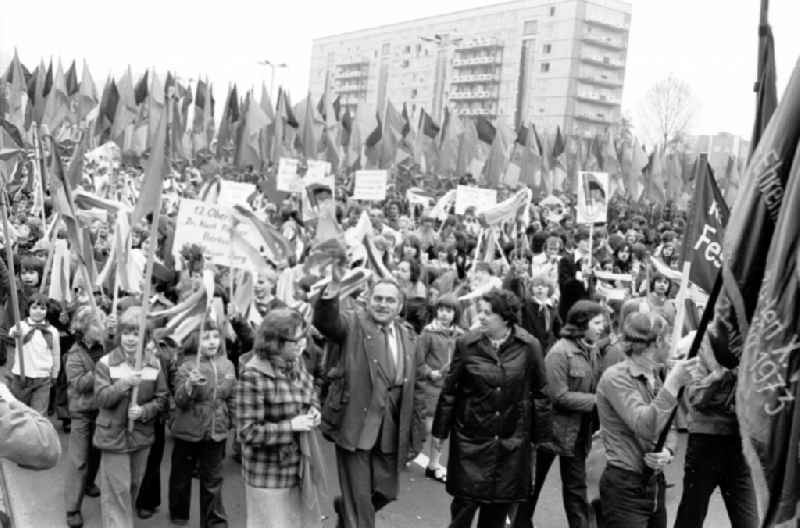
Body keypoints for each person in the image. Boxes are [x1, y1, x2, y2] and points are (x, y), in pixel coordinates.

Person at [432, 288, 551, 528]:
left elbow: (541, 394)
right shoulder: (467, 344)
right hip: (471, 442)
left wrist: (539, 439)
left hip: (511, 444)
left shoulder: (529, 346)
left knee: (498, 514)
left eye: (488, 313)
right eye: (480, 312)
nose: (481, 317)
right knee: (463, 511)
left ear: (505, 317)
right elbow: (450, 390)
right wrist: (439, 433)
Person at [314, 278, 424, 528]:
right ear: (368, 299)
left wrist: (417, 430)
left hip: (391, 427)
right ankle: (353, 512)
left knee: (386, 492)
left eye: (390, 300)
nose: (383, 305)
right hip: (355, 423)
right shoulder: (352, 323)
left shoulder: (408, 334)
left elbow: (416, 385)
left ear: (399, 306)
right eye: (378, 298)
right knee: (361, 505)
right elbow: (326, 321)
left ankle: (346, 508)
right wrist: (331, 291)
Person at [595, 312, 701, 528]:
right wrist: (673, 384)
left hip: (653, 484)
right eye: (669, 337)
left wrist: (667, 452)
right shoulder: (616, 377)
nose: (672, 343)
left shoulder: (655, 375)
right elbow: (645, 426)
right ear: (658, 341)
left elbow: (669, 426)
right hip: (624, 487)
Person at [236, 308, 323, 528]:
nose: (303, 344)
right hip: (267, 474)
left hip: (297, 466)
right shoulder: (252, 376)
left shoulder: (296, 362)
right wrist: (291, 426)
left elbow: (310, 391)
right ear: (275, 342)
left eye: (304, 337)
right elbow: (248, 432)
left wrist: (313, 409)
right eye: (297, 339)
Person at [673, 331, 758, 528]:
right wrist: (718, 376)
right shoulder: (702, 344)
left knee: (748, 521)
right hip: (705, 442)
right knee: (691, 516)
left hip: (738, 444)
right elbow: (696, 398)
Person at [93, 306, 168, 528]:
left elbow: (162, 399)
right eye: (126, 332)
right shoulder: (106, 363)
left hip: (141, 436)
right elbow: (101, 399)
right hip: (113, 436)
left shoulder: (154, 364)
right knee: (117, 491)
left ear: (145, 337)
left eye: (136, 333)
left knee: (132, 486)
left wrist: (144, 411)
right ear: (119, 335)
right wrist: (125, 384)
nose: (130, 338)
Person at [168, 319, 236, 527]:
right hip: (188, 429)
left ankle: (214, 521)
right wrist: (189, 384)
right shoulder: (187, 365)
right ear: (196, 340)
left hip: (216, 429)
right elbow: (179, 400)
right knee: (181, 476)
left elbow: (232, 395)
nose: (212, 342)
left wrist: (232, 419)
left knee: (213, 479)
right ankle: (179, 514)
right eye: (206, 337)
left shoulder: (227, 364)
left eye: (216, 336)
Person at [65, 307, 109, 528]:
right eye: (95, 323)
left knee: (96, 453)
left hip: (102, 410)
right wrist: (102, 368)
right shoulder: (74, 354)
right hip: (82, 412)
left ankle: (89, 482)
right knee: (79, 459)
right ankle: (73, 507)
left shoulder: (105, 347)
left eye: (102, 322)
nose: (101, 327)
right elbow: (80, 384)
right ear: (83, 328)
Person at [415, 293, 463, 484]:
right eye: (441, 310)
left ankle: (433, 465)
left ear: (455, 314)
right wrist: (430, 373)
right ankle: (407, 452)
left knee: (441, 432)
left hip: (450, 390)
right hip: (430, 389)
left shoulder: (460, 336)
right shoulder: (428, 334)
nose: (444, 314)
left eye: (449, 311)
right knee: (425, 428)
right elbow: (418, 361)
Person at [8, 292, 60, 415]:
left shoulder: (52, 331)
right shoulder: (21, 326)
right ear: (28, 309)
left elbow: (56, 354)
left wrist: (55, 373)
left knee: (38, 413)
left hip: (42, 378)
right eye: (34, 308)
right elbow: (11, 333)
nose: (38, 311)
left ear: (47, 310)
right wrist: (17, 334)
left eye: (42, 308)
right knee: (19, 411)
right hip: (21, 376)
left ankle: (37, 432)